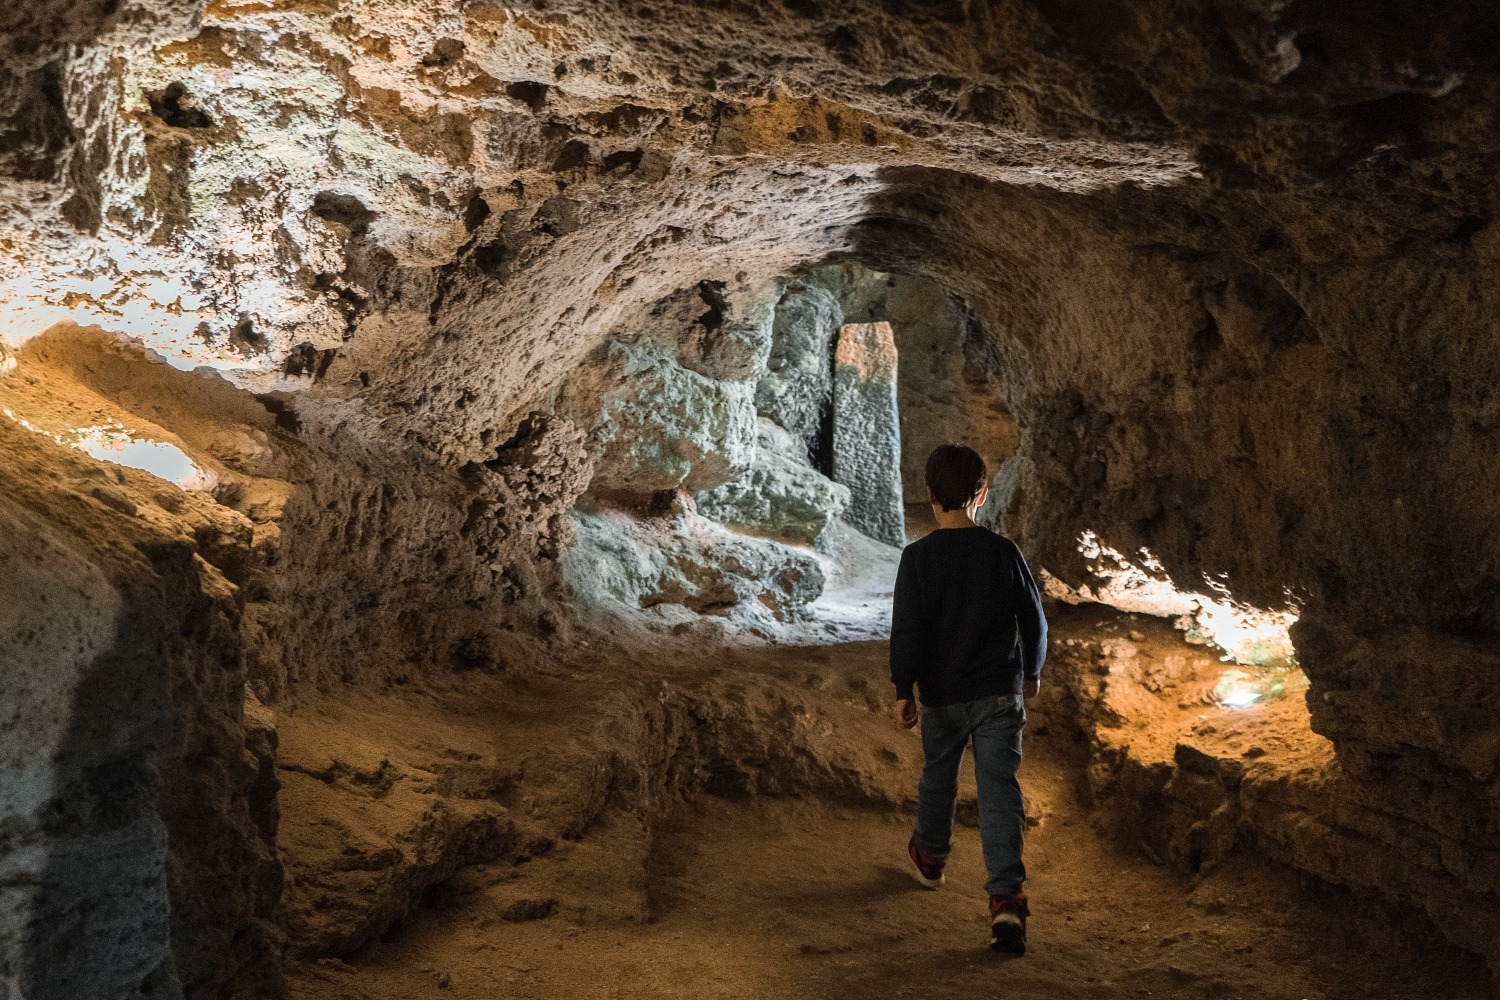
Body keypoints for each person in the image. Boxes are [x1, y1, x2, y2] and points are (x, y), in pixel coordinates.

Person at [889, 444, 1048, 955]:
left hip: (941, 695)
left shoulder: (917, 559)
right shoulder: (1002, 553)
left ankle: (931, 857)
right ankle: (1006, 899)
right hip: (998, 692)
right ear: (982, 493)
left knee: (939, 772)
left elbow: (907, 630)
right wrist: (1032, 671)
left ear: (929, 495)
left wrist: (902, 688)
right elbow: (1034, 618)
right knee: (999, 788)